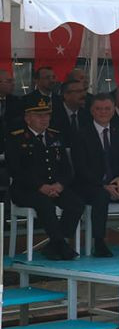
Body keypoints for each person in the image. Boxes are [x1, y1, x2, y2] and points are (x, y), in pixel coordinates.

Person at [6, 94, 83, 259]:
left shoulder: (55, 136)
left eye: (46, 115)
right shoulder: (17, 138)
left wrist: (60, 185)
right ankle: (60, 245)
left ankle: (55, 244)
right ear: (28, 118)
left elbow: (66, 169)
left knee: (76, 204)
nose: (44, 119)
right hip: (26, 189)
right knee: (45, 204)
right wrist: (40, 186)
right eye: (38, 115)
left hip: (54, 186)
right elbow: (15, 170)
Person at [74, 94, 119, 256]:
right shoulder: (81, 134)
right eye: (98, 109)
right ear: (92, 111)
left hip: (116, 183)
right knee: (101, 195)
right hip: (91, 185)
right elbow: (80, 167)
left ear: (113, 111)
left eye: (107, 109)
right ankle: (99, 242)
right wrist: (103, 185)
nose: (103, 112)